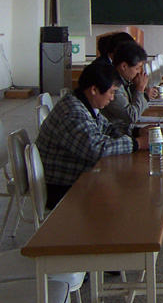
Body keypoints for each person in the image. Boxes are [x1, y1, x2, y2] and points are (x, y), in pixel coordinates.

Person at [36, 62, 150, 208]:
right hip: (61, 187)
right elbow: (96, 149)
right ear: (94, 90)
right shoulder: (72, 112)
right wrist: (138, 143)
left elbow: (107, 128)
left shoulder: (83, 102)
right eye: (111, 92)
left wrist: (137, 132)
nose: (112, 98)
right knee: (128, 193)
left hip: (77, 177)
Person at [102, 41, 157, 125]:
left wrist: (142, 93)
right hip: (116, 130)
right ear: (124, 66)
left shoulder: (125, 80)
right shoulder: (113, 84)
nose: (139, 72)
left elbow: (138, 108)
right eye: (137, 68)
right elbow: (132, 116)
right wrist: (140, 89)